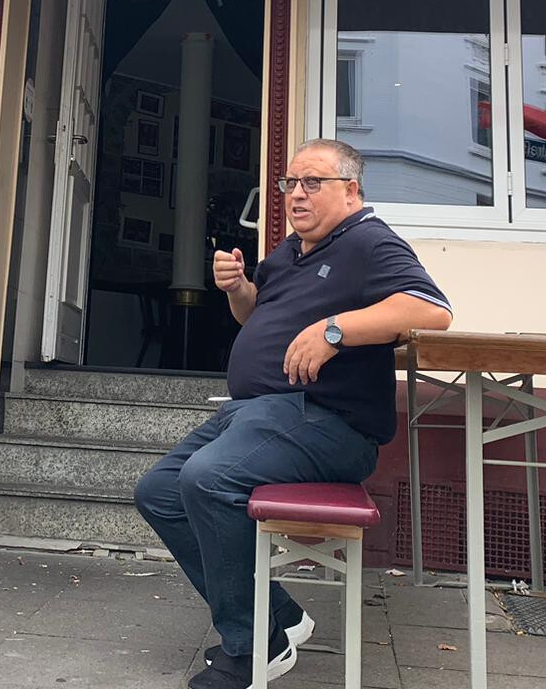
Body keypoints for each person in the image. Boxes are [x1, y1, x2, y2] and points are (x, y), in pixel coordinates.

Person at [135, 139, 453, 689]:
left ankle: (253, 646)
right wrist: (238, 290)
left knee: (209, 479)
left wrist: (335, 330)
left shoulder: (369, 242)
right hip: (260, 414)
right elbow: (257, 317)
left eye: (312, 183)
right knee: (158, 491)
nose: (295, 195)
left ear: (351, 190)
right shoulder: (290, 252)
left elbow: (432, 309)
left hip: (328, 421)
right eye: (289, 184)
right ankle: (278, 616)